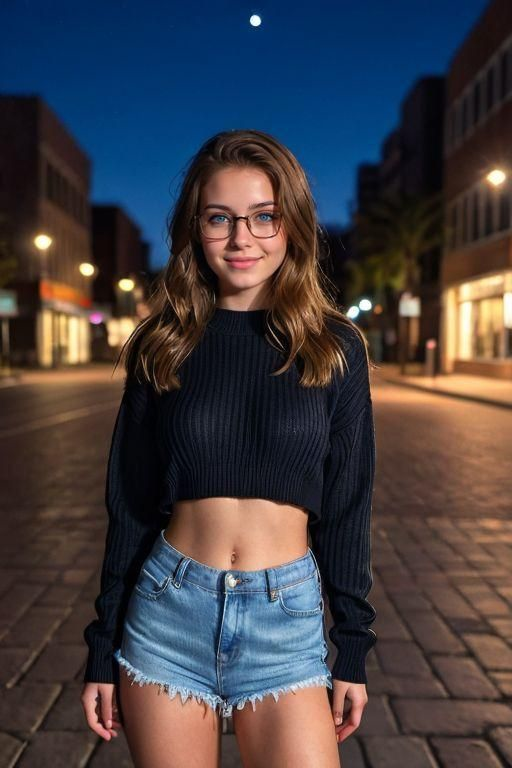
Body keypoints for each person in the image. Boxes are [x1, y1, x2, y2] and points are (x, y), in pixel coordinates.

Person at [80, 128, 377, 768]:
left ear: (292, 225)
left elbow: (349, 508)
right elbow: (128, 505)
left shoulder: (334, 349)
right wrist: (102, 646)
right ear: (196, 227)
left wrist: (351, 645)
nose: (242, 238)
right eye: (221, 218)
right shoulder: (162, 345)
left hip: (286, 625)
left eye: (264, 217)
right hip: (168, 616)